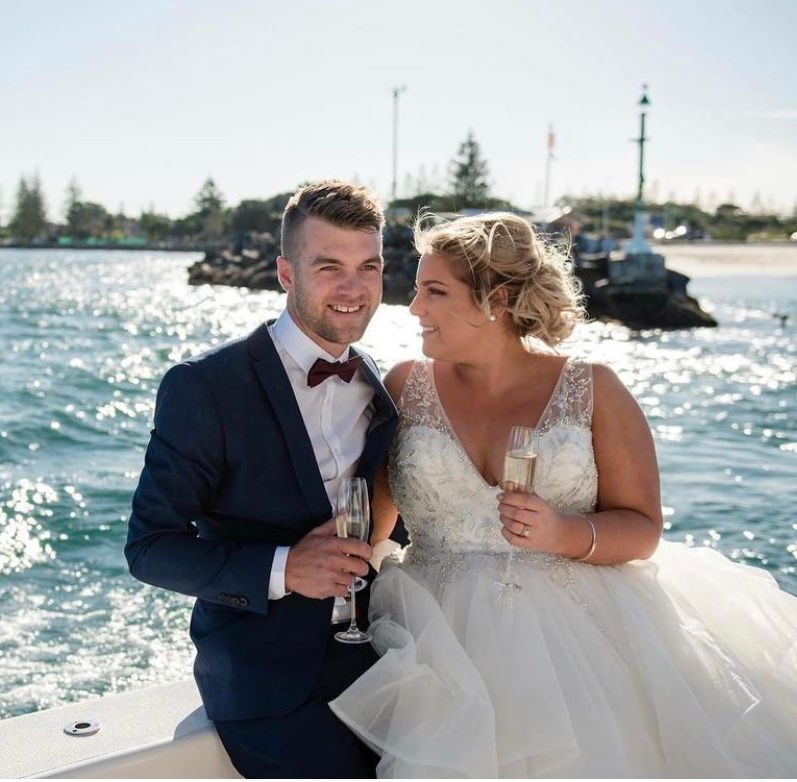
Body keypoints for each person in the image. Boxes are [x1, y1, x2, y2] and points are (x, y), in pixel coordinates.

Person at [330, 212, 797, 777]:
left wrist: (564, 533)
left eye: (434, 291)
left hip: (581, 639)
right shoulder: (405, 385)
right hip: (435, 635)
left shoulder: (593, 388)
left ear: (495, 299)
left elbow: (643, 528)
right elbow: (375, 524)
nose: (415, 308)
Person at [125, 180, 398, 777]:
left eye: (369, 266)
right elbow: (149, 549)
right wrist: (284, 568)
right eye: (329, 266)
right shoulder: (206, 386)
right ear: (284, 274)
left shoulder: (379, 382)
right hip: (268, 681)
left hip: (380, 655)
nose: (354, 289)